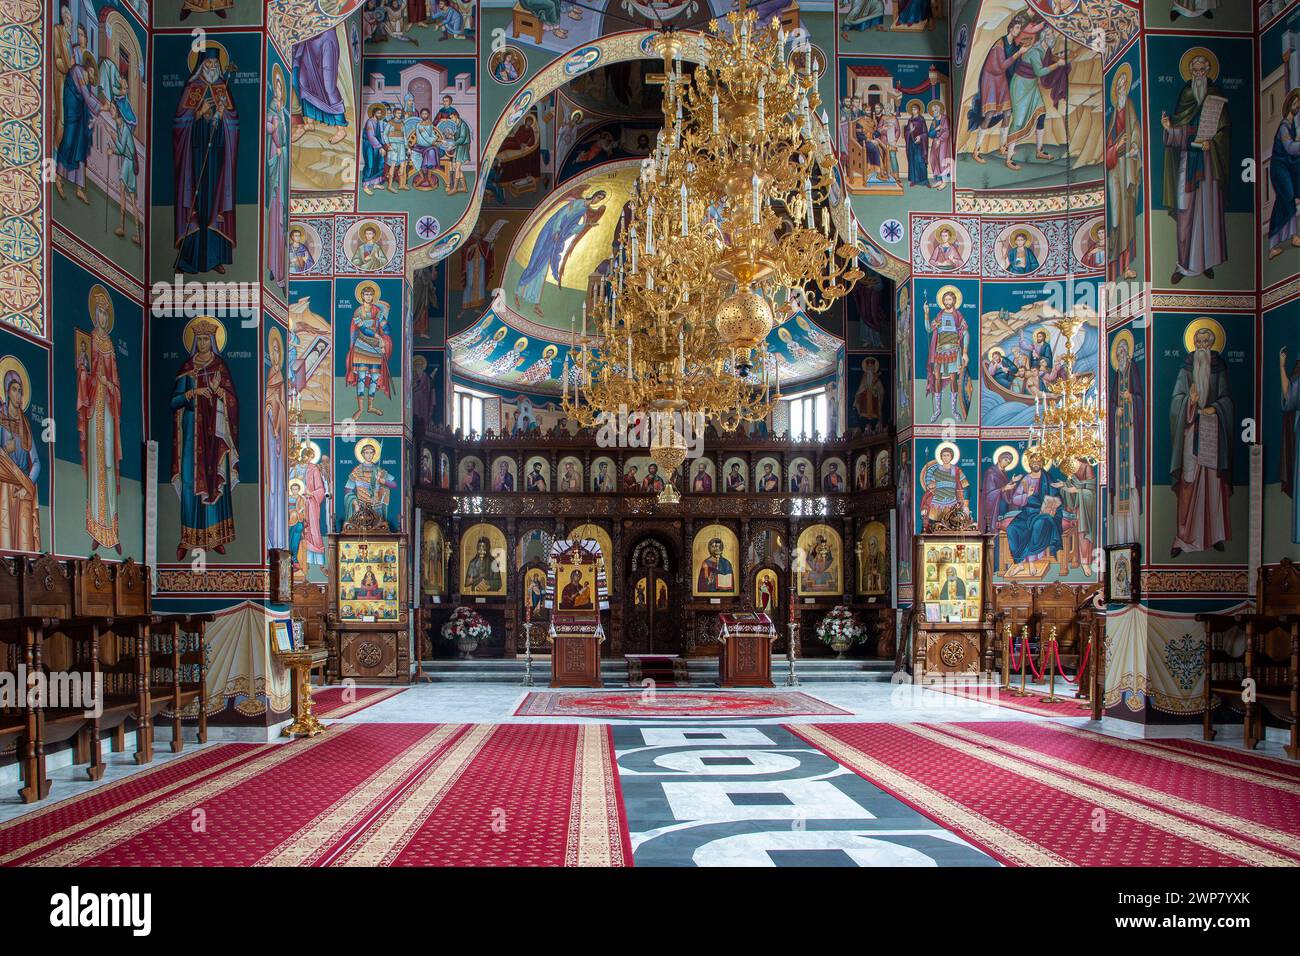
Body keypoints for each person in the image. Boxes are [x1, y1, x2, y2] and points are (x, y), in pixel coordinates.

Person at [169, 318, 239, 560]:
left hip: (214, 435)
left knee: (214, 481)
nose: (201, 343)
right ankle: (187, 539)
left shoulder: (220, 367)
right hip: (191, 433)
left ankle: (216, 537)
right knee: (190, 483)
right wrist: (192, 392)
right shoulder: (187, 369)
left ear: (211, 342)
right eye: (198, 339)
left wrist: (219, 391)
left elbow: (232, 401)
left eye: (205, 339)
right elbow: (174, 401)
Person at [1161, 52, 1230, 284]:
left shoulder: (1215, 95)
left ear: (1208, 71)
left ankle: (1206, 262)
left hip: (1209, 165)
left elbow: (1224, 130)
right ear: (1190, 73)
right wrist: (1170, 129)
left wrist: (1214, 141)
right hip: (1188, 164)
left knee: (1208, 212)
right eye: (1195, 71)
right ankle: (1183, 265)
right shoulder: (1187, 94)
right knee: (1186, 212)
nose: (1199, 75)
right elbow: (1179, 129)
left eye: (1203, 70)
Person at [173, 47, 239, 275]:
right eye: (208, 65)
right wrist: (198, 114)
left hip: (216, 160)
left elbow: (234, 124)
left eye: (215, 66)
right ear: (201, 66)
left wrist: (221, 116)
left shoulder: (222, 89)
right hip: (195, 159)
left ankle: (214, 258)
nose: (212, 69)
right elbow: (179, 124)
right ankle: (188, 258)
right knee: (195, 205)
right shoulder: (192, 88)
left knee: (215, 205)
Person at [1169, 323, 1233, 555]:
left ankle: (1215, 534)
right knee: (1189, 482)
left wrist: (1215, 408)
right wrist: (1191, 402)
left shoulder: (1219, 369)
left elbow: (1227, 399)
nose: (1202, 348)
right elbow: (1176, 402)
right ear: (1193, 345)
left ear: (1212, 344)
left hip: (1212, 434)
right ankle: (1183, 536)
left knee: (1213, 484)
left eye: (1206, 343)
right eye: (1198, 343)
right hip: (1190, 434)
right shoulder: (1186, 370)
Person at [77, 287, 123, 553]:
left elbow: (117, 384)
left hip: (108, 408)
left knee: (108, 465)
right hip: (95, 409)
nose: (103, 317)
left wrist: (110, 386)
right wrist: (91, 376)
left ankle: (112, 530)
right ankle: (96, 526)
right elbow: (83, 374)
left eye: (106, 313)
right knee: (97, 468)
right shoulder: (90, 340)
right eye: (100, 313)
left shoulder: (111, 347)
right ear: (95, 315)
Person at [1106, 66, 1142, 281]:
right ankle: (1116, 269)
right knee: (1116, 217)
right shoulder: (1111, 117)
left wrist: (1133, 146)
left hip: (1127, 168)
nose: (1120, 89)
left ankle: (1126, 265)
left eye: (1123, 85)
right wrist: (1114, 146)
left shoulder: (1129, 106)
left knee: (1127, 217)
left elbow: (1135, 129)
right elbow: (1109, 147)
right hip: (1114, 173)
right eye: (1118, 86)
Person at [345, 282, 393, 418]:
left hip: (376, 348)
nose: (368, 297)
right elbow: (363, 329)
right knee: (361, 377)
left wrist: (385, 329)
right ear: (362, 296)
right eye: (366, 294)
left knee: (374, 377)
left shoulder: (377, 310)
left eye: (371, 295)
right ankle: (360, 409)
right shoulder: (358, 311)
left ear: (373, 297)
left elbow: (385, 326)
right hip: (362, 346)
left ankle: (370, 406)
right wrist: (378, 336)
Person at [1268, 90, 1300, 261]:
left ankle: (1292, 237)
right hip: (1279, 168)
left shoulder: (1292, 125)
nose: (1297, 106)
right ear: (1289, 104)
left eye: (1298, 104)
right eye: (1294, 103)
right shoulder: (1284, 126)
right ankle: (1273, 244)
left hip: (1285, 167)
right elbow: (1289, 148)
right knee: (1286, 198)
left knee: (1286, 200)